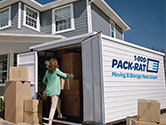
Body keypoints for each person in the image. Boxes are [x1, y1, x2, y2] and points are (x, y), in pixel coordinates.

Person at [43, 58, 72, 125]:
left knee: (58, 101)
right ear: (56, 64)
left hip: (48, 91)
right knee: (53, 107)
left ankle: (60, 115)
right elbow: (65, 75)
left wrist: (48, 84)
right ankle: (50, 122)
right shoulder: (56, 70)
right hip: (54, 92)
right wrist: (70, 75)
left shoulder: (47, 72)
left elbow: (44, 80)